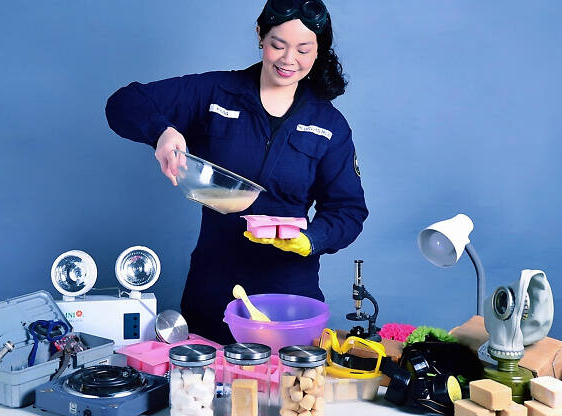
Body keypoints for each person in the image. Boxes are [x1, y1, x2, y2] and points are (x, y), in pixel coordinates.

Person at [105, 0, 368, 344]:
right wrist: (162, 131)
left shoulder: (329, 125)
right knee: (202, 394)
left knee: (286, 394)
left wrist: (310, 240)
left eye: (304, 49)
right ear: (260, 35)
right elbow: (124, 102)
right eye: (278, 45)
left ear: (319, 50)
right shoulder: (216, 94)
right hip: (212, 292)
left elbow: (348, 211)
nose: (289, 60)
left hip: (288, 301)